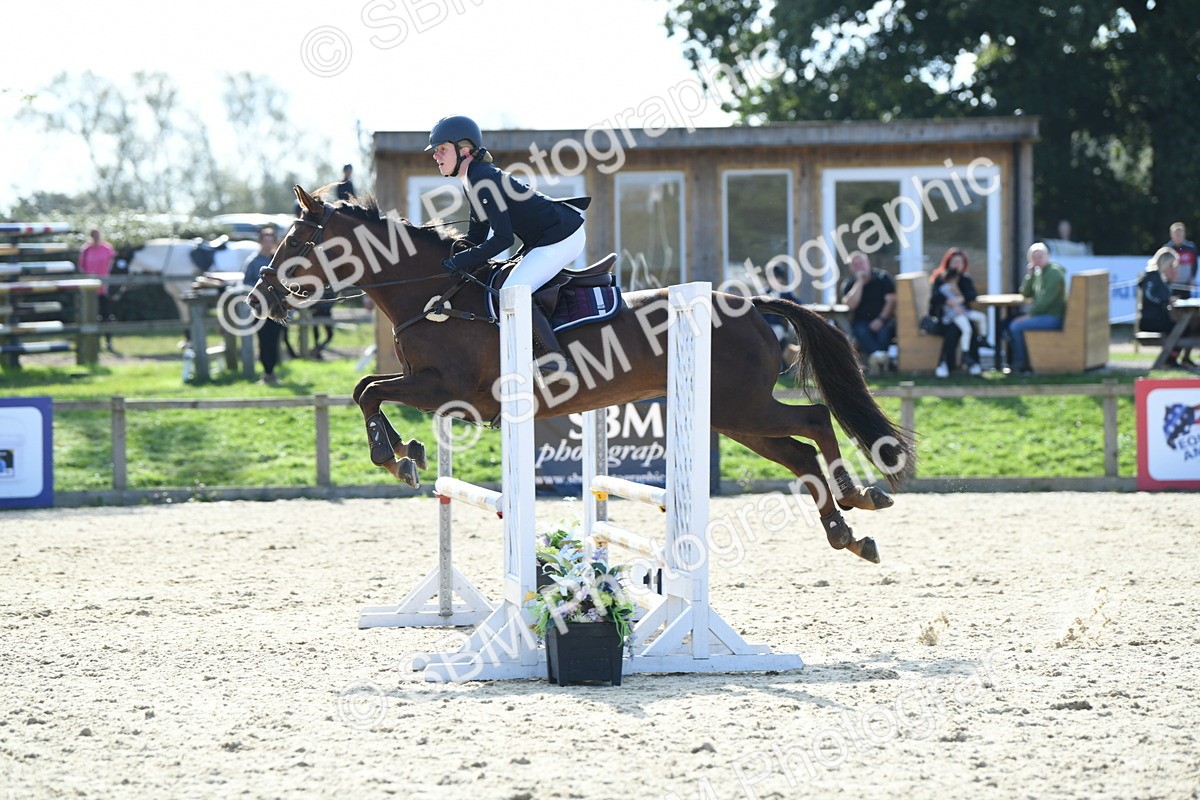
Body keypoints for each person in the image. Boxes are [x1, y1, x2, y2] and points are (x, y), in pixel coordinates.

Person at [428, 114, 589, 381]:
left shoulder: (482, 179)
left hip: (563, 235)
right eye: (436, 151)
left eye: (442, 149)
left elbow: (502, 239)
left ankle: (556, 362)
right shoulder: (473, 179)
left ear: (464, 150)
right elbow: (477, 237)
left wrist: (457, 263)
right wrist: (449, 255)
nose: (436, 156)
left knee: (512, 291)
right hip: (547, 237)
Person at [1007, 242, 1067, 374]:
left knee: (1015, 326)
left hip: (1053, 316)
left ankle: (1022, 363)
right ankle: (1017, 361)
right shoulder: (1039, 273)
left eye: (1040, 256)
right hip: (1042, 315)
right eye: (1034, 257)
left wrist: (1029, 316)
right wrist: (1030, 274)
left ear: (1048, 256)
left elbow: (1047, 301)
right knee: (1008, 323)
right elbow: (1025, 293)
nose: (1037, 259)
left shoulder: (1054, 273)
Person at [928, 248, 985, 377]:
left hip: (963, 315)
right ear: (948, 263)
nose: (957, 265)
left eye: (960, 262)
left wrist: (961, 298)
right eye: (954, 262)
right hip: (944, 319)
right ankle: (945, 364)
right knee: (952, 330)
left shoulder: (965, 279)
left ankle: (973, 362)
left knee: (971, 327)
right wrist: (948, 301)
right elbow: (934, 298)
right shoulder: (940, 278)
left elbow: (972, 295)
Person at [840, 251, 896, 375]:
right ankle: (881, 359)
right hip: (862, 321)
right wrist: (859, 282)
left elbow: (891, 301)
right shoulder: (850, 284)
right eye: (855, 264)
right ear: (851, 268)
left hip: (884, 319)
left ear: (868, 263)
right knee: (860, 330)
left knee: (884, 332)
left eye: (861, 263)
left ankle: (877, 360)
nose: (859, 266)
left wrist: (881, 319)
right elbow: (850, 304)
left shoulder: (883, 278)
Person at [244, 227, 286, 384]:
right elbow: (246, 283)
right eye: (265, 241)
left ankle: (271, 372)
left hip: (276, 308)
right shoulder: (253, 262)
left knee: (275, 340)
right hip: (260, 309)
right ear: (260, 242)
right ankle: (267, 372)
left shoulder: (277, 260)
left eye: (271, 241)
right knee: (263, 340)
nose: (268, 244)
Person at [78, 228, 117, 352]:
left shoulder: (107, 249)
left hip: (103, 287)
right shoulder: (86, 249)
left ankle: (108, 341)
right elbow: (81, 268)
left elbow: (111, 265)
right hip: (89, 289)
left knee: (106, 315)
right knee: (90, 315)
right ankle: (92, 342)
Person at [1165, 222, 1198, 298]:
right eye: (1176, 234)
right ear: (1171, 234)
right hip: (1172, 285)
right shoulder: (1167, 249)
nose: (1178, 236)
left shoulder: (1190, 248)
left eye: (1180, 234)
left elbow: (1194, 265)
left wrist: (1192, 279)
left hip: (1186, 285)